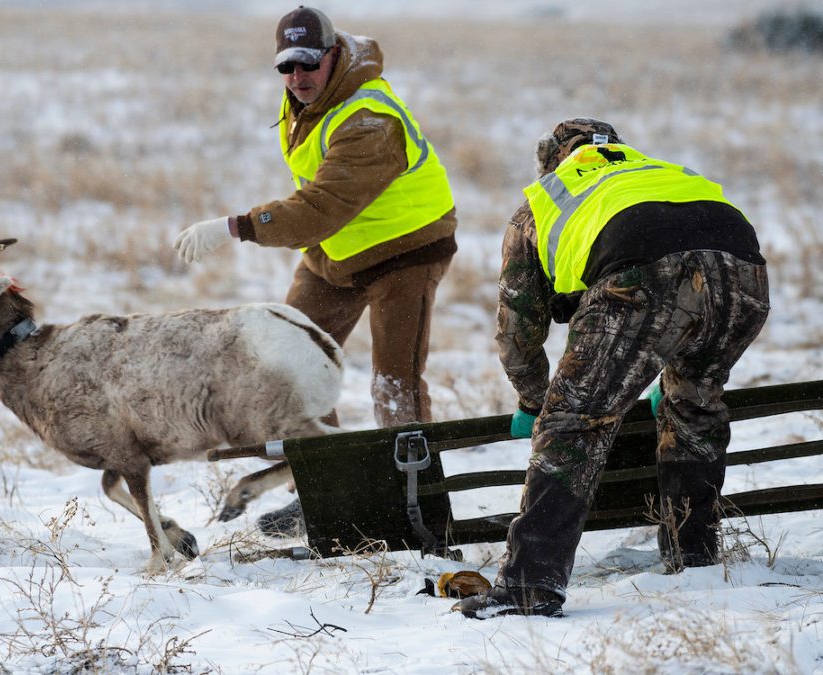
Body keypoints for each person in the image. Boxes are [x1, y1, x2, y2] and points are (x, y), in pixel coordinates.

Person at [456, 118, 769, 619]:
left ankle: (529, 586)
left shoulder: (544, 198)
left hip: (644, 272)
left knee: (573, 423)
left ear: (551, 159)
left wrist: (538, 403)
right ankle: (695, 557)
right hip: (745, 273)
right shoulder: (657, 170)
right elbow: (689, 262)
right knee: (693, 405)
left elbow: (518, 336)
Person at [173, 7, 458, 535]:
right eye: (286, 67)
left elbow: (320, 206)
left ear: (333, 56)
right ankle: (328, 493)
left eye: (308, 64)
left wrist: (235, 226)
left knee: (394, 384)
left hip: (407, 251)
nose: (297, 78)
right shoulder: (304, 102)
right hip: (338, 253)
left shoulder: (370, 118)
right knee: (292, 365)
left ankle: (419, 507)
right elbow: (320, 209)